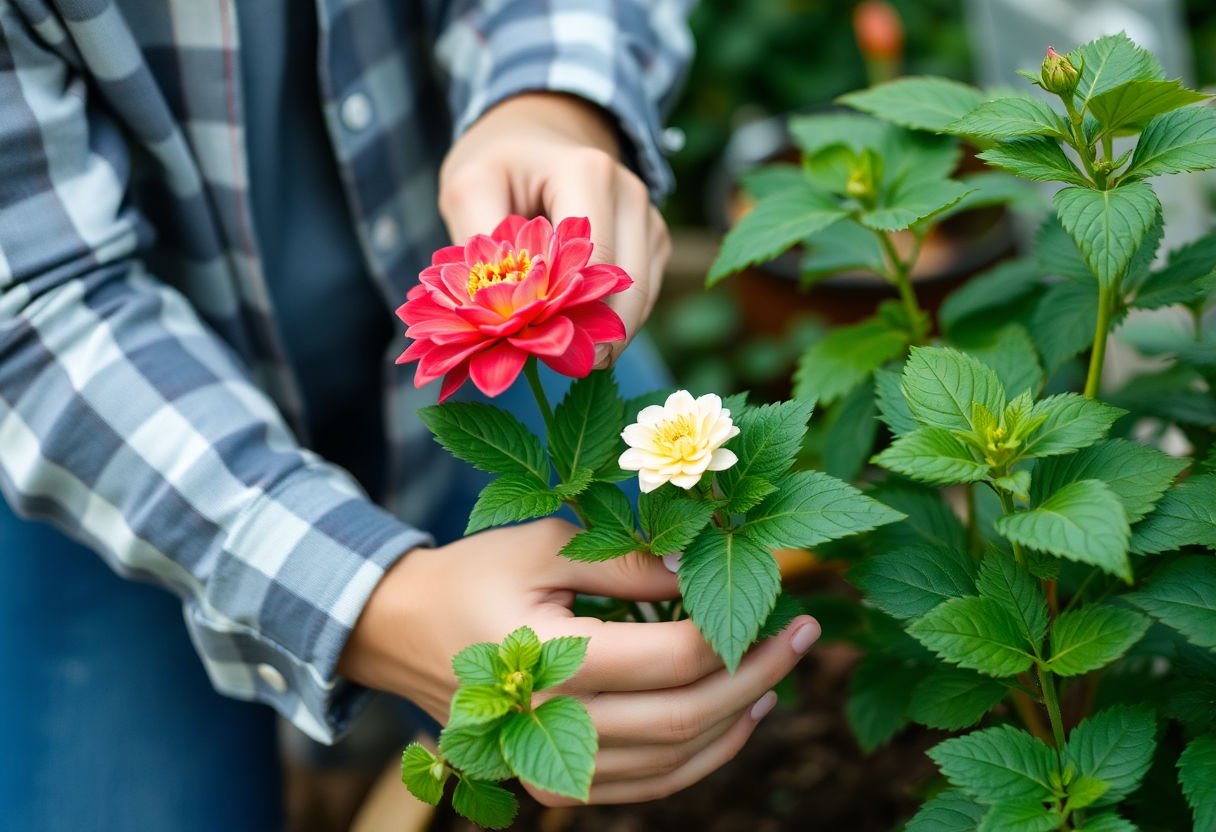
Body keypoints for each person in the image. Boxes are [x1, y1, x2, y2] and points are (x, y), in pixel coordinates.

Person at [0, 0, 821, 827]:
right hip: (107, 429)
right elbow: (32, 298)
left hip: (469, 366)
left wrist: (550, 100)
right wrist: (371, 603)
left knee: (691, 577)